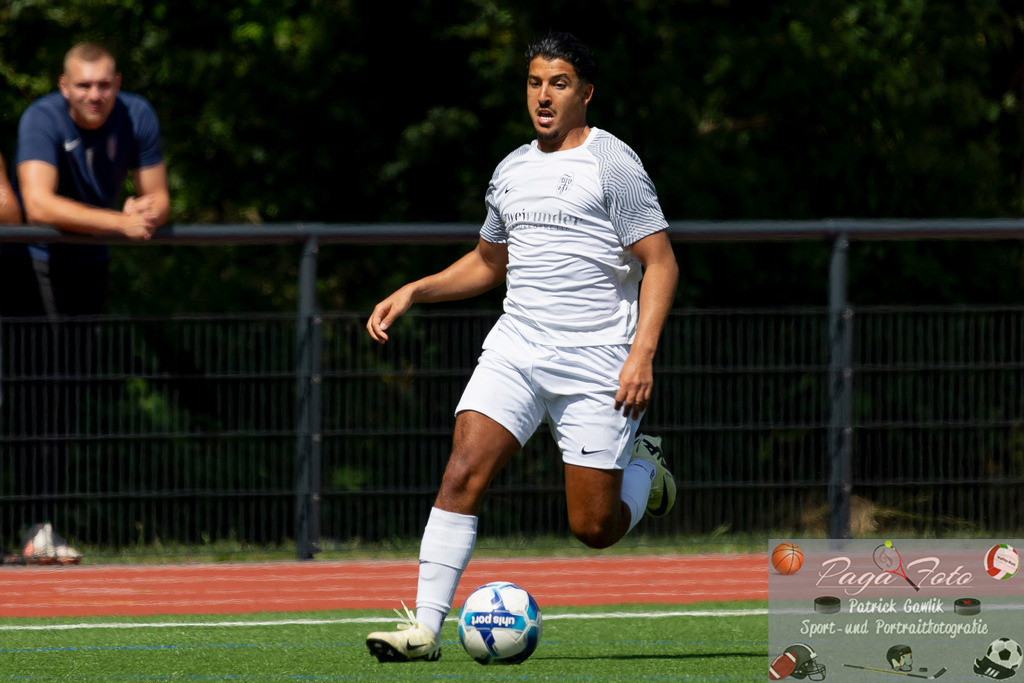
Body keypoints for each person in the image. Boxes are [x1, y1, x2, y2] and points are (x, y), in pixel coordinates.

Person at [364, 32, 679, 662]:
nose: (544, 95)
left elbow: (661, 263)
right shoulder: (510, 169)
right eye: (535, 82)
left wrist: (641, 353)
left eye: (558, 84)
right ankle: (424, 629)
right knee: (461, 472)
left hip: (598, 363)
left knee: (593, 528)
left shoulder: (613, 164)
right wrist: (415, 291)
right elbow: (488, 262)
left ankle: (644, 472)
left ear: (585, 93)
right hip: (517, 349)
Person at [5, 42, 169, 564]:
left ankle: (40, 528)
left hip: (89, 268)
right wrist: (119, 222)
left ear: (116, 83)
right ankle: (32, 524)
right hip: (34, 269)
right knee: (32, 398)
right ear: (64, 87)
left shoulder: (137, 114)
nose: (94, 95)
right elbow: (37, 204)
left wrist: (146, 212)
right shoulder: (40, 119)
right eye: (83, 85)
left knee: (63, 400)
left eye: (103, 85)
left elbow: (158, 195)